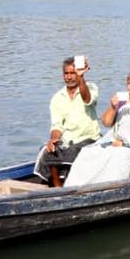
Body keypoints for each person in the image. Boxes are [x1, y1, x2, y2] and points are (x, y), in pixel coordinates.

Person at [64, 70, 130, 187]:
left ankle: (108, 189)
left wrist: (125, 143)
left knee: (119, 157)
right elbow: (106, 122)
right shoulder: (124, 101)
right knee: (88, 152)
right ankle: (74, 188)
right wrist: (113, 107)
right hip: (116, 143)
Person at [35, 57, 101, 187]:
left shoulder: (90, 88)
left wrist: (81, 77)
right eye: (67, 73)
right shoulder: (57, 98)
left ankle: (70, 184)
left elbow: (88, 99)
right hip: (67, 141)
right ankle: (57, 186)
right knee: (47, 151)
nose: (69, 77)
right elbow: (57, 125)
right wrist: (53, 140)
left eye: (73, 73)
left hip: (89, 139)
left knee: (73, 151)